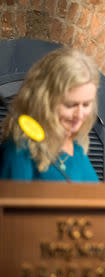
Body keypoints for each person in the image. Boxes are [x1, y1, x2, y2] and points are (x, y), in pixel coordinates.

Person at [0, 48, 99, 181]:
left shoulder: (77, 147)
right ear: (44, 100)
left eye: (86, 104)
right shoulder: (20, 151)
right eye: (70, 105)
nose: (80, 115)